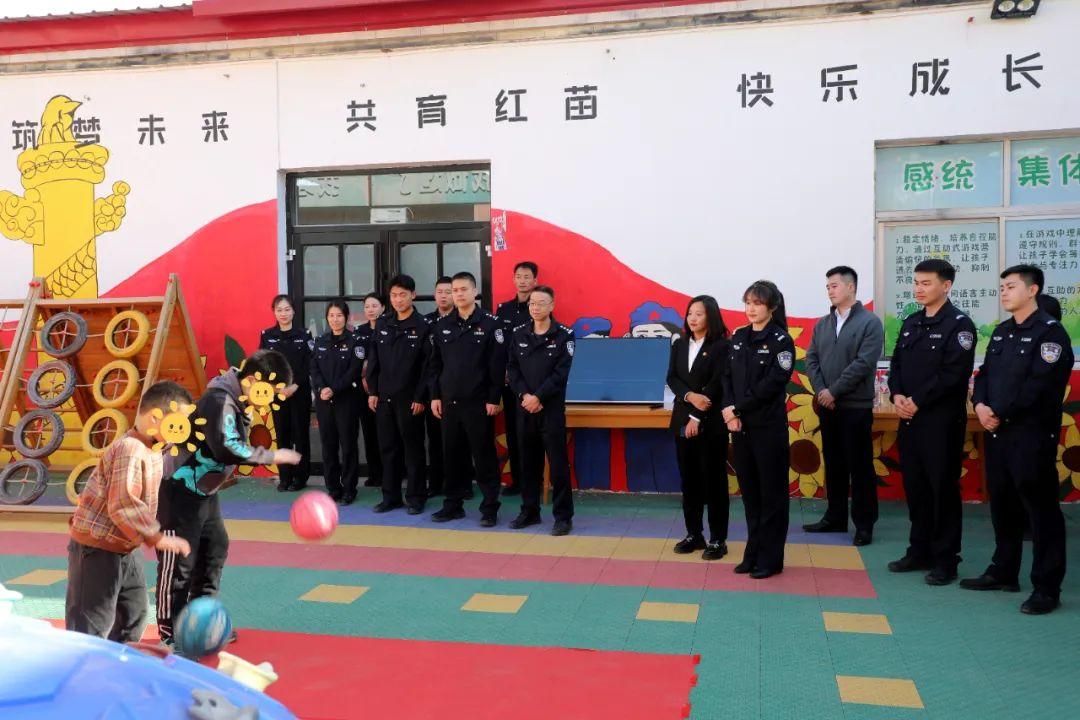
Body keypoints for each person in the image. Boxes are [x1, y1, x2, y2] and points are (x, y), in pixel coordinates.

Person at [156, 351, 302, 645]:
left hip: (203, 490)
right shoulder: (219, 400)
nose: (269, 401)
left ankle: (201, 623)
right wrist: (272, 456)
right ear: (253, 382)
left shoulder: (237, 397)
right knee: (180, 562)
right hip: (178, 489)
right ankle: (171, 632)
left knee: (214, 550)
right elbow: (225, 447)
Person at [962, 264, 1073, 615]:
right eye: (1002, 287)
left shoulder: (1050, 334)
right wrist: (981, 405)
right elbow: (984, 375)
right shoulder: (1002, 332)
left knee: (1041, 512)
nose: (1004, 293)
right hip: (997, 432)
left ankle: (1046, 587)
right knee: (1003, 505)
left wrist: (998, 411)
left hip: (1031, 435)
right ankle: (1004, 570)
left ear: (1032, 290)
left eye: (1011, 286)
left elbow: (1039, 386)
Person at [67, 381, 193, 642]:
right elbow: (123, 504)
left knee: (133, 613)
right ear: (155, 419)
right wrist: (157, 537)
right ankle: (82, 663)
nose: (182, 431)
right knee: (92, 620)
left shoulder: (155, 448)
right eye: (177, 424)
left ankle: (119, 659)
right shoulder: (130, 449)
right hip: (97, 546)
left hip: (125, 544)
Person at [885, 259, 976, 586]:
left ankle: (946, 558)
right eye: (916, 283)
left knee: (942, 489)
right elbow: (896, 364)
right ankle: (919, 550)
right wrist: (897, 395)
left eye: (926, 283)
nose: (919, 289)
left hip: (941, 422)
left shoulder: (959, 325)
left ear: (946, 286)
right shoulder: (912, 322)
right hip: (909, 420)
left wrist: (918, 401)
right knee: (916, 487)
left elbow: (954, 374)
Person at [803, 266, 885, 547]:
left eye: (835, 285)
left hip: (855, 407)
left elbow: (864, 363)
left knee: (859, 466)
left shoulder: (870, 323)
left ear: (851, 287)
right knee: (834, 464)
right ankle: (835, 517)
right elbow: (811, 359)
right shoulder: (823, 324)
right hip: (828, 406)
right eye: (828, 286)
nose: (830, 290)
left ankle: (864, 524)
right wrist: (822, 391)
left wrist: (834, 391)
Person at [722, 280, 795, 580]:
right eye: (748, 302)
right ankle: (752, 554)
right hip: (740, 427)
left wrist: (738, 409)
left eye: (758, 303)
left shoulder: (781, 341)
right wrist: (729, 410)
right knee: (750, 494)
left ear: (772, 307)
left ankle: (771, 559)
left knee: (772, 496)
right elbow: (726, 377)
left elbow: (772, 385)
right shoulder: (739, 337)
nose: (751, 309)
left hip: (768, 429)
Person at [428, 271, 507, 526]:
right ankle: (453, 505)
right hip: (449, 402)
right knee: (452, 456)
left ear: (474, 292)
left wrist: (494, 398)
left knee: (484, 457)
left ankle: (490, 508)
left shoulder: (491, 324)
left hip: (479, 403)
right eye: (455, 290)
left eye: (464, 289)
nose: (459, 294)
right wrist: (435, 396)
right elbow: (435, 365)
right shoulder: (442, 325)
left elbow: (497, 366)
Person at [506, 285, 575, 535]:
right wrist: (525, 396)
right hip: (525, 408)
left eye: (541, 303)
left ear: (552, 306)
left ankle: (563, 517)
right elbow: (512, 369)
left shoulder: (565, 335)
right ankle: (529, 511)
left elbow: (560, 374)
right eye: (532, 303)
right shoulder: (519, 333)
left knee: (558, 465)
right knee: (527, 464)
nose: (535, 307)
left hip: (550, 409)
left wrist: (539, 397)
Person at [667, 295, 731, 560]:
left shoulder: (722, 346)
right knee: (689, 481)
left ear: (711, 316)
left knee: (714, 482)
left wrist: (697, 415)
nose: (692, 318)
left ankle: (718, 539)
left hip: (710, 423)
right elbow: (672, 377)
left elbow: (718, 383)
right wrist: (689, 397)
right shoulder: (680, 344)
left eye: (699, 314)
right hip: (682, 419)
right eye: (690, 313)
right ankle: (694, 534)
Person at [366, 274, 433, 515]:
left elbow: (428, 367)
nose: (398, 300)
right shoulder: (383, 323)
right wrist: (373, 391)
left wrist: (420, 397)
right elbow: (374, 360)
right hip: (384, 398)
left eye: (403, 295)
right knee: (388, 448)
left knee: (413, 450)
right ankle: (390, 497)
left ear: (413, 295)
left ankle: (416, 497)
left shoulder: (423, 326)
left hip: (410, 400)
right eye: (394, 295)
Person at [259, 294, 313, 492]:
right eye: (279, 310)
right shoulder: (267, 335)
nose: (283, 314)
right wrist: (275, 387)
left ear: (293, 311)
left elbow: (309, 364)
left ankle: (300, 478)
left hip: (299, 392)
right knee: (282, 436)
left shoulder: (304, 335)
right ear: (274, 312)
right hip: (276, 394)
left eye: (287, 309)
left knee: (301, 436)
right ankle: (285, 477)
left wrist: (294, 386)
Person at [312, 300, 364, 505]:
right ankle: (333, 488)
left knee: (348, 446)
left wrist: (333, 388)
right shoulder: (320, 341)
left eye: (339, 315)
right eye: (331, 315)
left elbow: (354, 371)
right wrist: (321, 388)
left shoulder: (355, 342)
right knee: (329, 446)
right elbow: (314, 369)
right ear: (327, 318)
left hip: (346, 401)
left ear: (346, 317)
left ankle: (349, 488)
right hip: (324, 402)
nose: (335, 319)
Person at [496, 261, 538, 496]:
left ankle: (533, 482)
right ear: (513, 279)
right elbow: (499, 345)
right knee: (512, 431)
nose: (522, 281)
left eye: (527, 277)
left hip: (530, 382)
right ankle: (517, 481)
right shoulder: (503, 309)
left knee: (529, 432)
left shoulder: (539, 307)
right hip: (508, 380)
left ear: (535, 281)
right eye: (519, 277)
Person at [425, 276, 455, 497]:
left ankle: (460, 484)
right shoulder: (426, 322)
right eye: (440, 292)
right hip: (432, 388)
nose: (443, 296)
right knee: (434, 439)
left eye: (448, 292)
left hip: (455, 389)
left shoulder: (461, 320)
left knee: (457, 441)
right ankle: (435, 483)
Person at [355, 293, 386, 488]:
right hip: (365, 390)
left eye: (375, 306)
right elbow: (357, 360)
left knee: (387, 434)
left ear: (383, 308)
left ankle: (391, 473)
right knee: (369, 433)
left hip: (385, 389)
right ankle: (375, 474)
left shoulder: (389, 327)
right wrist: (363, 378)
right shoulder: (360, 331)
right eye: (367, 306)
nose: (371, 310)